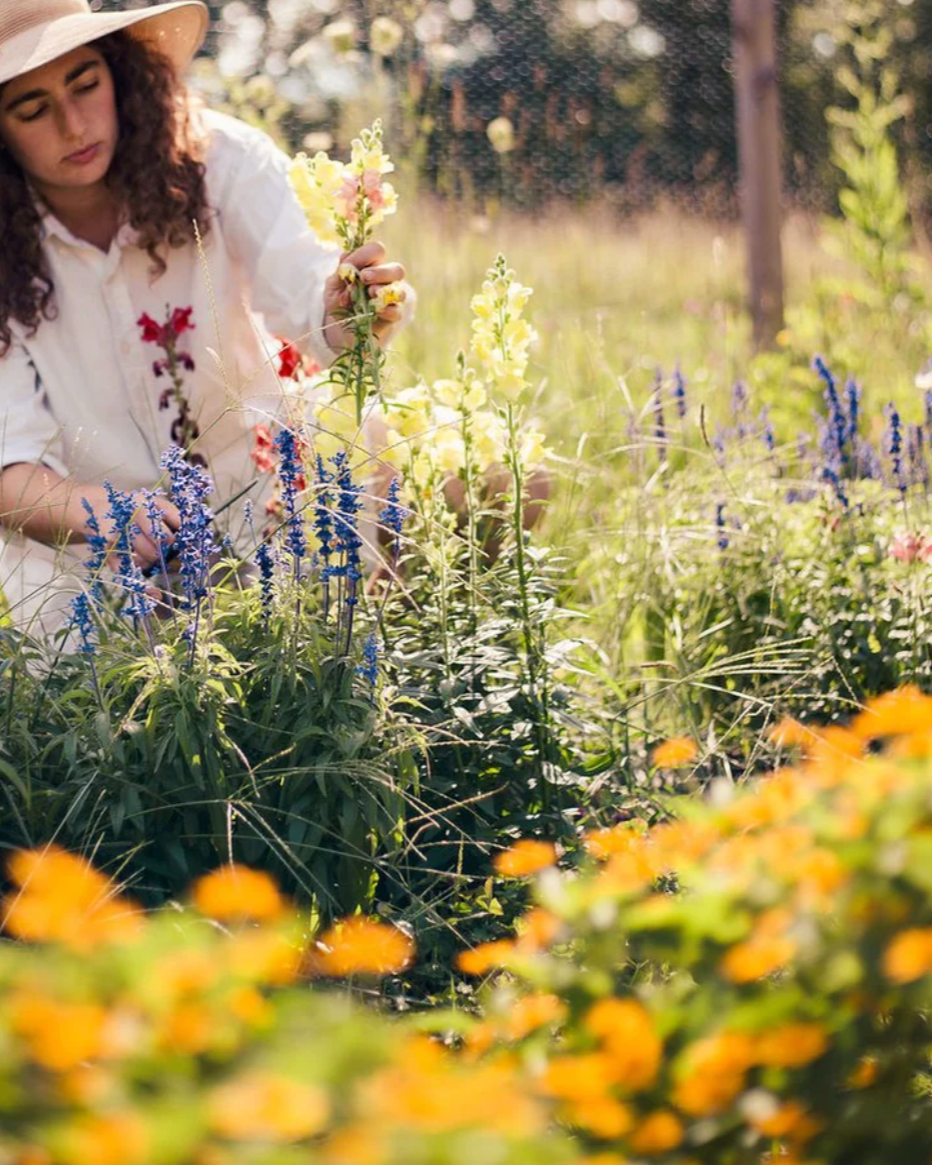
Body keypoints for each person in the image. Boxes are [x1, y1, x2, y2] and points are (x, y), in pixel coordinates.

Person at [0, 0, 409, 635]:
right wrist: (109, 516)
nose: (74, 124)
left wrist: (352, 308)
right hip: (94, 560)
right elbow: (7, 469)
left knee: (491, 481)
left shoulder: (221, 159)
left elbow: (305, 300)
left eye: (86, 84)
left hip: (265, 505)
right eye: (32, 109)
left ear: (121, 73)